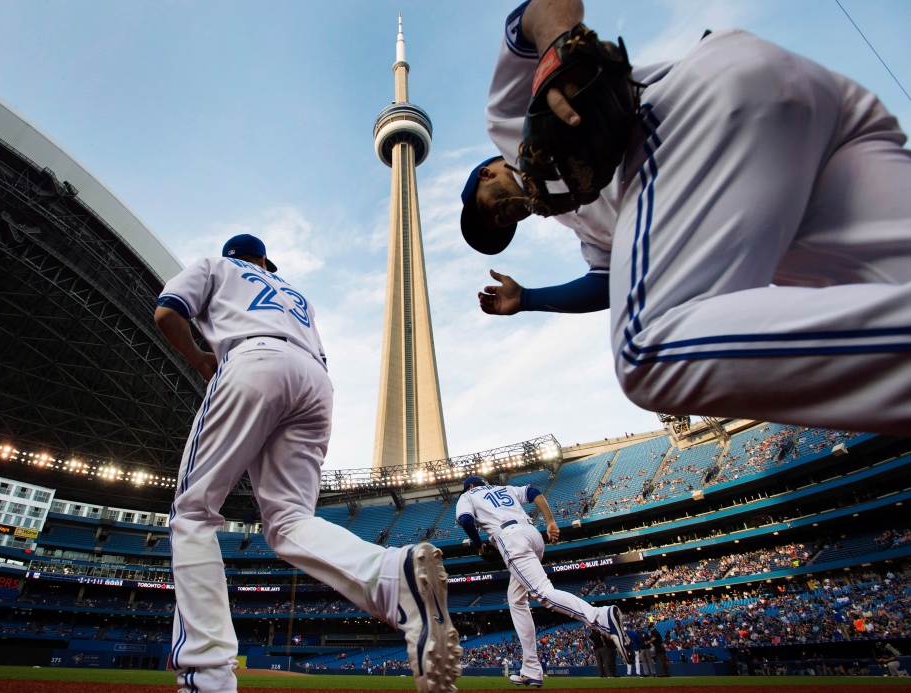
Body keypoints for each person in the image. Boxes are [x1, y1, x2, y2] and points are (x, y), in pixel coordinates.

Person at [460, 0, 911, 435]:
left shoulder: (505, 122)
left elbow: (541, 7)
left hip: (687, 109)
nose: (500, 218)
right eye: (501, 227)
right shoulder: (585, 229)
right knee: (891, 281)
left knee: (647, 349)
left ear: (487, 172)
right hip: (804, 124)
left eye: (487, 207)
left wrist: (558, 49)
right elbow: (607, 283)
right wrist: (529, 299)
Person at [155, 234, 461, 693]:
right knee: (290, 521)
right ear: (262, 260)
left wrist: (200, 358)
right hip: (315, 381)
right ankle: (392, 577)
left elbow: (167, 312)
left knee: (193, 513)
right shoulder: (296, 294)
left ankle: (207, 678)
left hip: (253, 358)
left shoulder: (215, 266)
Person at [456, 475, 629, 687]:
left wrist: (478, 545)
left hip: (510, 538)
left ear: (471, 486)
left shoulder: (468, 495)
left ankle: (601, 617)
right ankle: (531, 669)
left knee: (543, 593)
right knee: (517, 600)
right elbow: (532, 491)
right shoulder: (505, 488)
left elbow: (465, 519)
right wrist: (550, 521)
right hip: (532, 535)